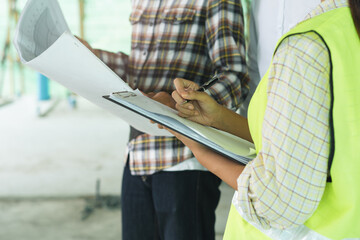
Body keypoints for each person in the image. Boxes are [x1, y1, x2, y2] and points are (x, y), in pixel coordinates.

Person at [169, 0, 360, 239]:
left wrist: (200, 150)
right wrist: (218, 118)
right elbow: (300, 136)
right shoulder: (344, 31)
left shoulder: (307, 46)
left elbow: (275, 203)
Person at [80, 0, 248, 239]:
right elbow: (137, 69)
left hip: (185, 160)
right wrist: (91, 58)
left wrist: (183, 104)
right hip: (137, 155)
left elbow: (235, 77)